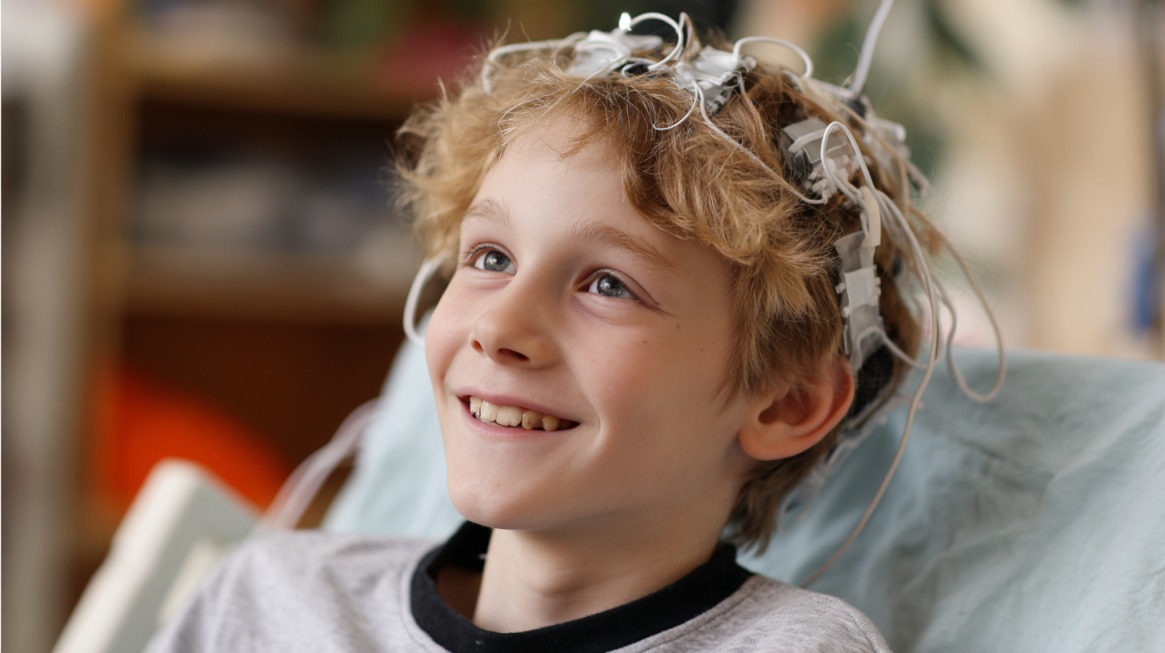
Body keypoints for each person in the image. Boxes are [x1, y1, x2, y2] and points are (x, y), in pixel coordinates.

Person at [150, 11, 938, 652]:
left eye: (606, 284)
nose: (498, 324)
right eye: (489, 256)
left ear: (785, 401)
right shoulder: (271, 600)